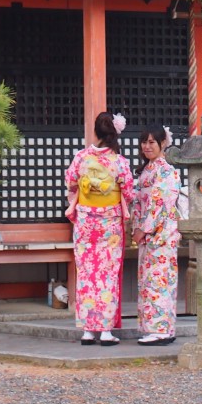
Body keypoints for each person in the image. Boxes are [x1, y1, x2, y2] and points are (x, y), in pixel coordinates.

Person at [65, 111, 134, 346]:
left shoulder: (81, 157)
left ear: (95, 132)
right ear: (114, 133)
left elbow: (71, 183)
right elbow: (129, 193)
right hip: (110, 224)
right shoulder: (119, 162)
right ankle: (105, 331)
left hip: (85, 221)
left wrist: (86, 191)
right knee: (107, 273)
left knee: (86, 273)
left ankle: (87, 330)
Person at [131, 123, 181, 346]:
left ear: (163, 144)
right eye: (144, 142)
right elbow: (139, 202)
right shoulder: (148, 171)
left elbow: (160, 203)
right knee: (149, 281)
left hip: (162, 234)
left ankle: (162, 330)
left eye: (152, 142)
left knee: (159, 281)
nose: (147, 146)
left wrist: (143, 228)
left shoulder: (166, 170)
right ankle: (153, 327)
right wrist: (136, 228)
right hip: (148, 235)